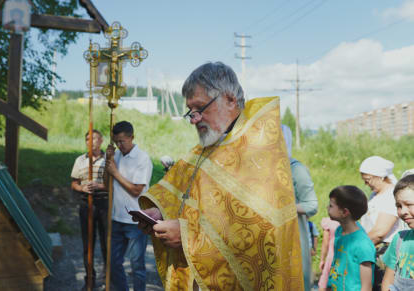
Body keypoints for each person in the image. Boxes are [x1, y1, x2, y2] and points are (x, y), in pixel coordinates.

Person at [133, 62, 304, 290]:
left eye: (200, 108)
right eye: (190, 112)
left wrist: (188, 238)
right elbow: (191, 200)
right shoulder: (206, 147)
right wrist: (160, 214)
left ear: (230, 99)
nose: (194, 119)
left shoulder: (259, 149)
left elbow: (262, 233)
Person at [105, 121, 153, 291]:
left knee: (137, 266)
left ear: (132, 137)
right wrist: (108, 159)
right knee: (113, 262)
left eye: (122, 141)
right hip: (116, 218)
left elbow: (136, 190)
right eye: (116, 141)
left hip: (135, 220)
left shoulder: (143, 159)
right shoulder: (116, 155)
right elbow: (106, 183)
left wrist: (116, 173)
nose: (119, 145)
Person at [282, 124, 318, 291]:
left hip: (293, 236)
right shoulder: (262, 169)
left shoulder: (296, 169)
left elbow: (311, 205)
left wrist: (281, 208)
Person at [70, 129, 108, 290]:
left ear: (101, 141)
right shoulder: (80, 160)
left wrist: (99, 186)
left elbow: (115, 184)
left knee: (107, 243)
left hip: (104, 203)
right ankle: (89, 279)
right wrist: (82, 189)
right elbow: (74, 183)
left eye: (94, 138)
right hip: (87, 204)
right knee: (88, 244)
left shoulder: (109, 160)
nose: (90, 141)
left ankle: (109, 278)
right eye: (87, 139)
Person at [359, 155, 402, 290]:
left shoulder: (391, 196)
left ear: (380, 176)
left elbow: (380, 232)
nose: (366, 184)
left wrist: (355, 247)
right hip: (371, 249)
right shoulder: (375, 195)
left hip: (384, 255)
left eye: (368, 180)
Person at [327, 185, 376, 291]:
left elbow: (366, 286)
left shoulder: (362, 244)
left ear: (344, 212)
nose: (327, 208)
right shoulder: (339, 231)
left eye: (331, 205)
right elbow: (336, 262)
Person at [381, 174, 414, 291]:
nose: (403, 211)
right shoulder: (400, 239)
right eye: (399, 206)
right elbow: (388, 281)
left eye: (409, 204)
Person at [318, 217, 340, 291]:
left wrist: (322, 260)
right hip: (342, 257)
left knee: (324, 284)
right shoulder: (348, 222)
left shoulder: (329, 222)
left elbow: (325, 242)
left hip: (331, 258)